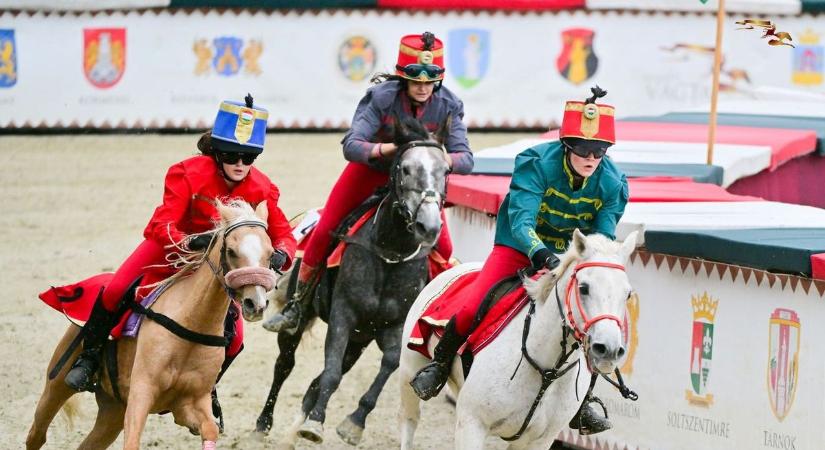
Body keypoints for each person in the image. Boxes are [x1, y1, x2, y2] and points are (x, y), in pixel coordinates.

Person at [409, 87, 629, 435]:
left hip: (571, 255)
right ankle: (438, 366)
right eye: (584, 149)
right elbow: (523, 221)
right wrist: (541, 254)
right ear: (567, 145)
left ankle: (583, 400)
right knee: (473, 306)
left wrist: (590, 261)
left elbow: (602, 238)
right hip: (517, 245)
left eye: (600, 151)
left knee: (588, 320)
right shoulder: (535, 163)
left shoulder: (613, 182)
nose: (592, 157)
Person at [63, 95, 298, 392]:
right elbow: (163, 224)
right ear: (217, 153)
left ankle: (206, 389)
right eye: (231, 156)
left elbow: (285, 235)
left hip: (221, 262)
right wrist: (188, 242)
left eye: (248, 158)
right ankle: (88, 358)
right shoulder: (186, 172)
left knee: (236, 339)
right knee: (115, 290)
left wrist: (282, 254)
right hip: (169, 249)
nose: (240, 165)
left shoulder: (263, 187)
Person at [263, 31, 474, 334]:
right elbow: (352, 145)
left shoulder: (450, 104)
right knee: (325, 229)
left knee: (444, 244)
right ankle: (297, 304)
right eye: (417, 81)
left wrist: (437, 157)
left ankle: (441, 310)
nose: (424, 88)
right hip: (371, 171)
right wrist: (389, 149)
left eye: (430, 82)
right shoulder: (381, 97)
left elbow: (465, 159)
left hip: (416, 179)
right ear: (404, 78)